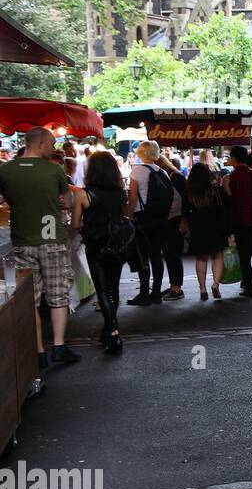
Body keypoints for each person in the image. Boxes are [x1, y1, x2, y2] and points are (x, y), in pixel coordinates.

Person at [0, 127, 81, 366]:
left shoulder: (5, 170)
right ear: (40, 144)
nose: (54, 148)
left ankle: (38, 350)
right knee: (58, 294)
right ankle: (58, 345)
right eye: (52, 144)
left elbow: (4, 200)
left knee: (30, 298)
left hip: (23, 240)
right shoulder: (54, 170)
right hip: (52, 240)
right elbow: (66, 201)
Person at [71, 151, 129, 353]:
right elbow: (124, 217)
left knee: (102, 290)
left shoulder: (83, 194)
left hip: (96, 246)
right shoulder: (121, 193)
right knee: (113, 289)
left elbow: (75, 223)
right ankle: (108, 328)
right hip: (118, 246)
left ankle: (113, 334)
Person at [126, 140, 172, 306]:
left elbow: (132, 198)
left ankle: (144, 293)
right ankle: (156, 292)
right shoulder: (162, 172)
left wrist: (129, 217)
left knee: (142, 256)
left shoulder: (137, 171)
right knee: (156, 256)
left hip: (142, 218)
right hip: (159, 218)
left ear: (141, 152)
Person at [223, 144, 252, 297]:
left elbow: (228, 201)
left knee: (244, 255)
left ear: (234, 159)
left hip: (240, 221)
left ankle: (249, 286)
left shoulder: (229, 178)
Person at [185, 162, 229, 300]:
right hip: (216, 228)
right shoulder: (217, 190)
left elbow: (185, 212)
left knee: (201, 258)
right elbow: (224, 210)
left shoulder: (189, 193)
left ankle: (202, 289)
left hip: (198, 229)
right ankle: (215, 284)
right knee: (218, 256)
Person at [156, 154, 189, 301]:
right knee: (170, 254)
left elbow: (185, 201)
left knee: (173, 254)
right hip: (170, 220)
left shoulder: (176, 177)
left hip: (175, 220)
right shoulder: (172, 176)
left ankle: (177, 287)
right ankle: (174, 285)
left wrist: (184, 220)